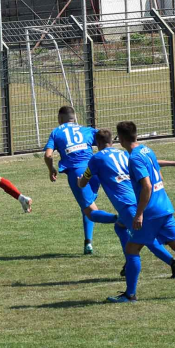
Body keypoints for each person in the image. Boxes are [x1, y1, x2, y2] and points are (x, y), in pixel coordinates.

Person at [108, 121, 175, 302]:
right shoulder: (145, 150)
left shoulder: (134, 157)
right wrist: (174, 163)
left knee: (132, 248)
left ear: (120, 139)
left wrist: (139, 213)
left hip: (151, 212)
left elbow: (147, 186)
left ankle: (130, 295)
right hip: (165, 207)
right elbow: (153, 164)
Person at [77, 129, 175, 279]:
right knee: (120, 227)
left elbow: (83, 182)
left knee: (145, 237)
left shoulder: (95, 159)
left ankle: (172, 262)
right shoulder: (124, 153)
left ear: (97, 143)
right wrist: (174, 163)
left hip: (127, 204)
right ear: (112, 142)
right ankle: (128, 262)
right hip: (139, 198)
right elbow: (150, 162)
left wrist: (79, 180)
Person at [44, 106, 118, 255]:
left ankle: (123, 220)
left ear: (60, 119)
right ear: (74, 117)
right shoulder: (86, 130)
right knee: (86, 207)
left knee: (91, 211)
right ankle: (88, 243)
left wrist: (51, 169)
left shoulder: (56, 132)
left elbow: (48, 155)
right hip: (95, 169)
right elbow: (106, 139)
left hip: (78, 173)